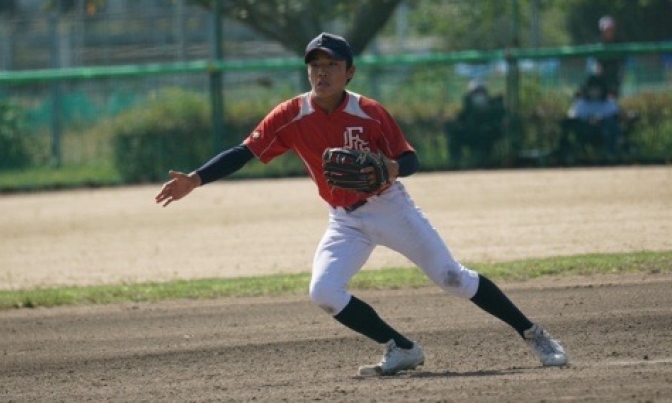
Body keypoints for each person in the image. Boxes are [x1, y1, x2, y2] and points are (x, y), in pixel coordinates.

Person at [155, 32, 569, 376]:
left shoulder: (369, 113)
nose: (321, 72)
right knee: (324, 291)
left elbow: (410, 160)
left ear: (349, 72)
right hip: (344, 220)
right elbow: (245, 151)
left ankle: (533, 333)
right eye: (315, 65)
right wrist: (196, 179)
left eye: (331, 64)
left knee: (452, 278)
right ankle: (402, 347)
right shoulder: (290, 114)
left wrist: (390, 167)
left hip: (389, 207)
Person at [557, 73, 622, 162]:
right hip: (585, 132)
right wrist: (587, 120)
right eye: (592, 89)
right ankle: (569, 154)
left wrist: (601, 120)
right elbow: (572, 116)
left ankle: (610, 153)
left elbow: (615, 116)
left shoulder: (609, 103)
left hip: (604, 133)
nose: (595, 92)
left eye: (597, 89)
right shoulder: (581, 103)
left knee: (611, 124)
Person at [444, 80, 509, 167]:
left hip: (488, 137)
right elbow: (460, 121)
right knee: (454, 137)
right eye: (476, 92)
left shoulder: (495, 106)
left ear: (485, 92)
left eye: (481, 91)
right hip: (471, 136)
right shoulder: (468, 108)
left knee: (486, 138)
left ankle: (485, 163)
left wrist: (495, 126)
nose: (479, 95)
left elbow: (502, 123)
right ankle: (456, 163)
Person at [595, 15, 625, 97]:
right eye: (606, 30)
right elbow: (596, 65)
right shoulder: (598, 45)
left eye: (611, 30)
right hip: (602, 76)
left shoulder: (619, 43)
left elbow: (622, 63)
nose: (609, 32)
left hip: (615, 76)